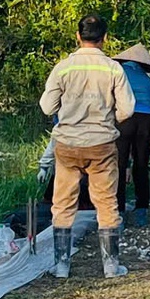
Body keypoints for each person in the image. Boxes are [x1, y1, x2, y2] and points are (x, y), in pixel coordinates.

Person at [39, 14, 137, 279]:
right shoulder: (113, 68)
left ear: (77, 36)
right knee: (106, 203)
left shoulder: (63, 68)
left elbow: (47, 107)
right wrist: (107, 117)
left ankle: (61, 266)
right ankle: (110, 266)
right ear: (105, 38)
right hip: (102, 144)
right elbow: (127, 109)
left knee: (62, 204)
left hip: (67, 144)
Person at [114, 44, 150, 225]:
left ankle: (120, 211)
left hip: (126, 118)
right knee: (141, 164)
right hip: (147, 119)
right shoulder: (149, 81)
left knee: (119, 163)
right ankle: (142, 210)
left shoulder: (119, 74)